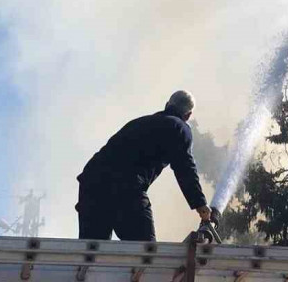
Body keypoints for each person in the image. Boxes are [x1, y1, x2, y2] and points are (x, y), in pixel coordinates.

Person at [75, 90, 212, 241]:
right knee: (146, 253)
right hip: (125, 187)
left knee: (92, 253)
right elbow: (185, 167)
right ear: (188, 115)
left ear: (167, 105)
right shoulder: (179, 127)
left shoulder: (139, 122)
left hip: (91, 183)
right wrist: (200, 204)